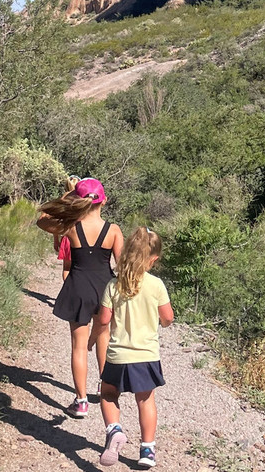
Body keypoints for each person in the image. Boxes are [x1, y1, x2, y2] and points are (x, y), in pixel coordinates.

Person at [37, 177, 124, 418]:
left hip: (77, 287)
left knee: (78, 346)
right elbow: (122, 266)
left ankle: (81, 400)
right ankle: (105, 388)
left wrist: (67, 198)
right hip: (104, 287)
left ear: (79, 200)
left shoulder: (70, 226)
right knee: (103, 339)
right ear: (103, 201)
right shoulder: (113, 230)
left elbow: (42, 220)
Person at [96, 226, 174, 468]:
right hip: (146, 354)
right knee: (146, 400)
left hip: (118, 354)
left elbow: (104, 320)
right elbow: (168, 317)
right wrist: (161, 319)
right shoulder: (156, 285)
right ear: (154, 259)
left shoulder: (113, 285)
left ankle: (114, 430)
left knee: (108, 394)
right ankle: (147, 450)